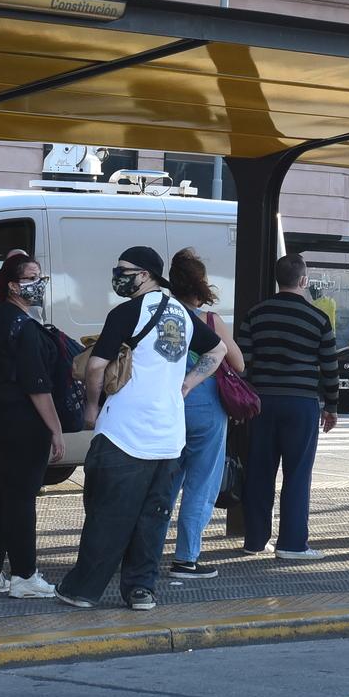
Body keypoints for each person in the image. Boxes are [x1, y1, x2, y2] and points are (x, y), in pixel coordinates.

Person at [56, 246, 226, 612]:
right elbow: (218, 352)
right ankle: (141, 591)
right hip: (168, 437)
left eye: (124, 270)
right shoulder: (182, 313)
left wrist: (90, 407)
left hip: (123, 433)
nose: (117, 275)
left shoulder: (126, 312)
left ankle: (82, 590)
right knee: (153, 520)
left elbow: (96, 366)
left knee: (107, 515)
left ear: (146, 274)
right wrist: (184, 387)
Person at [0, 252, 68, 598]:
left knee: (0, 495)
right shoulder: (25, 328)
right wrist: (55, 429)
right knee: (22, 498)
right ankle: (25, 575)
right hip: (21, 420)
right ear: (12, 285)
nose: (37, 284)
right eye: (30, 278)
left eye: (40, 277)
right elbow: (37, 386)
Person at [236, 252, 335, 562]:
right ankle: (292, 544)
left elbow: (244, 363)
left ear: (278, 280)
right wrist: (331, 406)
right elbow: (329, 367)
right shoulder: (318, 319)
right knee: (297, 473)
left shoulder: (255, 315)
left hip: (261, 402)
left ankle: (255, 539)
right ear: (303, 280)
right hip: (301, 403)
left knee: (259, 471)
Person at [153, 249, 244, 576]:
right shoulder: (210, 321)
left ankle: (148, 553)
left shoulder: (162, 316)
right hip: (206, 407)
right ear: (200, 283)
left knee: (165, 483)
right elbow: (238, 363)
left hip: (170, 404)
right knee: (201, 483)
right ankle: (186, 558)